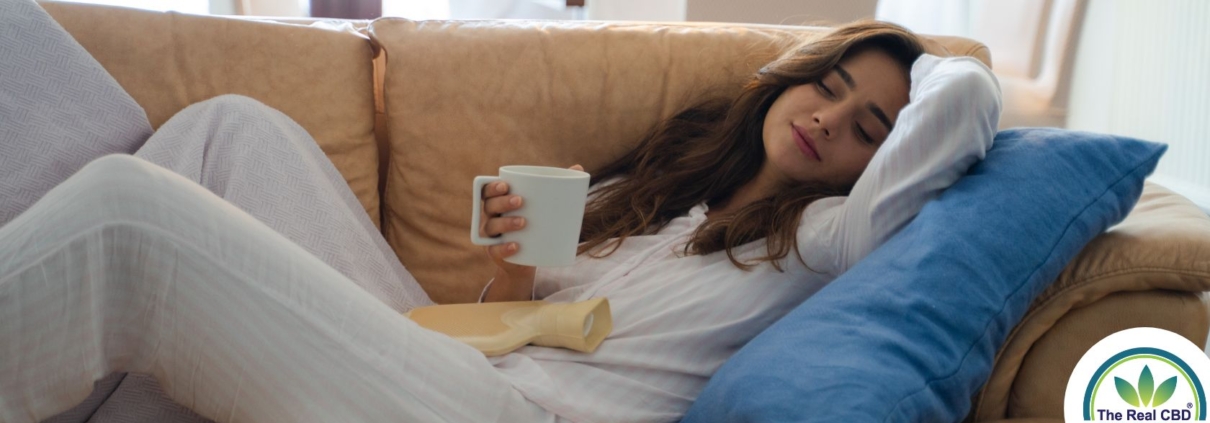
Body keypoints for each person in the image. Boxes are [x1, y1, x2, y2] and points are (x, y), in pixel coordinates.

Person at [0, 2, 1000, 421]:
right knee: (230, 130)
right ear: (792, 77)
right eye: (828, 84)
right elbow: (501, 321)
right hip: (457, 364)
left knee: (130, 217)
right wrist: (523, 266)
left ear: (882, 166)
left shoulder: (825, 242)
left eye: (869, 127)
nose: (829, 118)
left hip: (515, 418)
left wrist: (937, 72)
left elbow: (961, 109)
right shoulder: (658, 190)